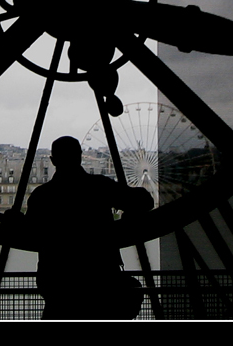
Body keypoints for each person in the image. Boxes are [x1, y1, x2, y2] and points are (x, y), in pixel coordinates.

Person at [24, 136, 154, 320]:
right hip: (102, 277)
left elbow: (30, 235)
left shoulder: (42, 196)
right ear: (80, 156)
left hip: (57, 281)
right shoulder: (100, 186)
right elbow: (144, 201)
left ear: (53, 160)